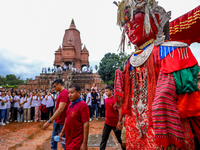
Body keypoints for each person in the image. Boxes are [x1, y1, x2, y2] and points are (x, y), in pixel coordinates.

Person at [114, 0, 200, 149]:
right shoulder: (129, 61)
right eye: (127, 31)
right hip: (136, 124)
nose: (130, 33)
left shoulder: (171, 51)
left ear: (153, 23)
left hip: (164, 123)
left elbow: (185, 97)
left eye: (134, 27)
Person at [58, 83, 89, 150]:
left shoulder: (83, 105)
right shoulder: (70, 104)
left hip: (77, 141)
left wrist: (84, 143)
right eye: (69, 93)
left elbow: (86, 124)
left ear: (78, 92)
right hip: (69, 138)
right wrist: (62, 132)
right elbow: (67, 118)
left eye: (72, 92)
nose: (69, 95)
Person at [41, 79, 70, 150]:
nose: (54, 88)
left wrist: (49, 121)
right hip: (57, 121)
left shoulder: (64, 93)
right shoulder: (60, 93)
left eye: (54, 86)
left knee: (64, 143)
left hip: (62, 122)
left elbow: (60, 109)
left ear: (59, 84)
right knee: (53, 140)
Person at [100, 86, 125, 150]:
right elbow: (106, 110)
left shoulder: (115, 99)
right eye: (105, 91)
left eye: (107, 91)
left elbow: (120, 110)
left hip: (115, 123)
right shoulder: (105, 100)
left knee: (120, 139)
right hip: (107, 122)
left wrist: (120, 121)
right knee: (104, 138)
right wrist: (106, 117)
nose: (106, 93)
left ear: (111, 91)